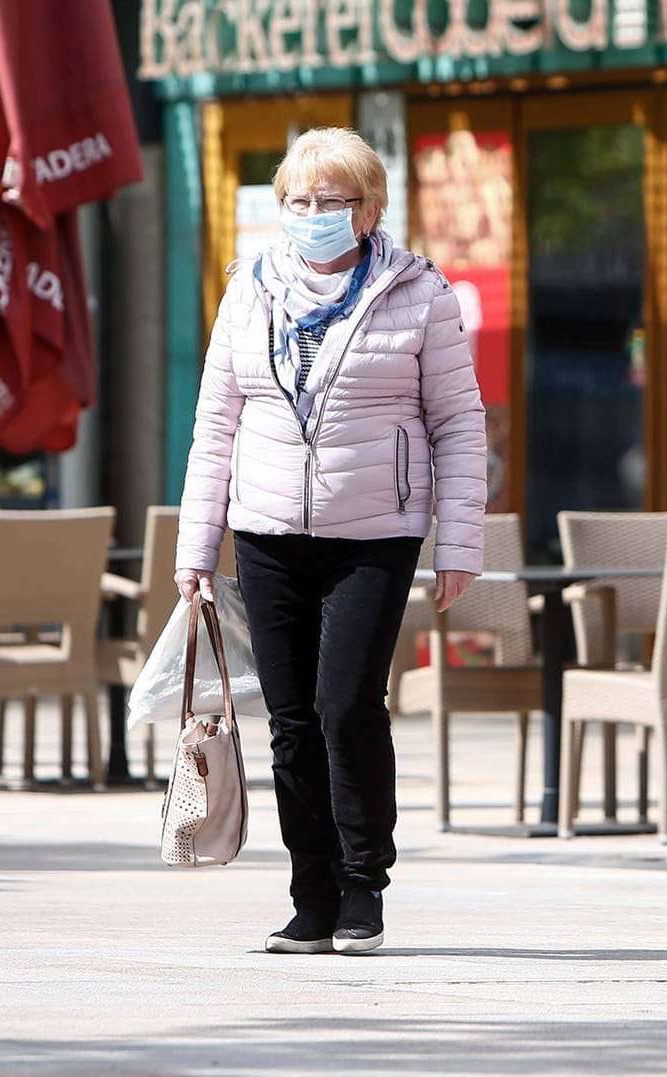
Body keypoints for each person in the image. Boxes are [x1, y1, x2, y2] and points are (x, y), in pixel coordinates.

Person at [174, 128, 488, 956]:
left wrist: (459, 542)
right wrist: (195, 547)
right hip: (267, 531)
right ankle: (309, 894)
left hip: (374, 534)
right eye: (299, 201)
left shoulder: (421, 294)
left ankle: (362, 889)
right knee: (289, 720)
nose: (312, 215)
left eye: (332, 201)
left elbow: (458, 424)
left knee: (346, 706)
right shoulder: (247, 289)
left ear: (370, 210)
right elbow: (215, 427)